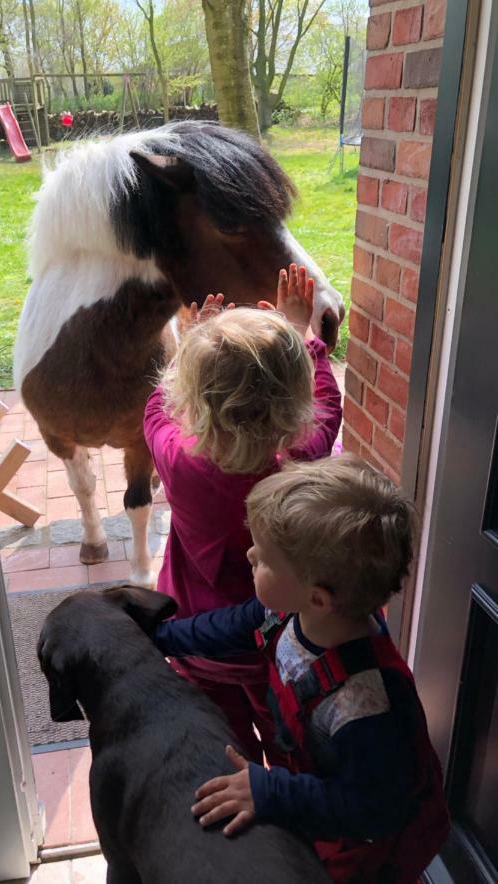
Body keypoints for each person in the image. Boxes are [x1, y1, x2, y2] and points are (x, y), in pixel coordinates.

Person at [152, 455, 450, 884]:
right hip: (319, 794)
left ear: (318, 598)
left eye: (265, 558)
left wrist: (271, 791)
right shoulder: (290, 613)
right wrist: (160, 637)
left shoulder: (365, 705)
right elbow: (231, 625)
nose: (250, 554)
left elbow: (371, 811)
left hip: (363, 850)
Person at [143, 265, 343, 763]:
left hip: (196, 638)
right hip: (275, 648)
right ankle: (293, 809)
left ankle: (247, 803)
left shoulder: (175, 457)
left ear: (192, 396)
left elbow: (154, 409)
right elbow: (328, 405)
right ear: (291, 404)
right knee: (293, 746)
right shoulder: (300, 462)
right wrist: (303, 338)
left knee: (226, 752)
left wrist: (192, 344)